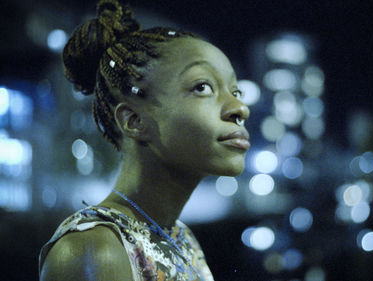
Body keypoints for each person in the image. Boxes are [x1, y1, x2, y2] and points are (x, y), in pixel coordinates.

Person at [39, 0, 250, 280]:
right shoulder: (96, 251)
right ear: (134, 121)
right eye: (203, 87)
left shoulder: (180, 236)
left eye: (236, 91)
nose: (240, 109)